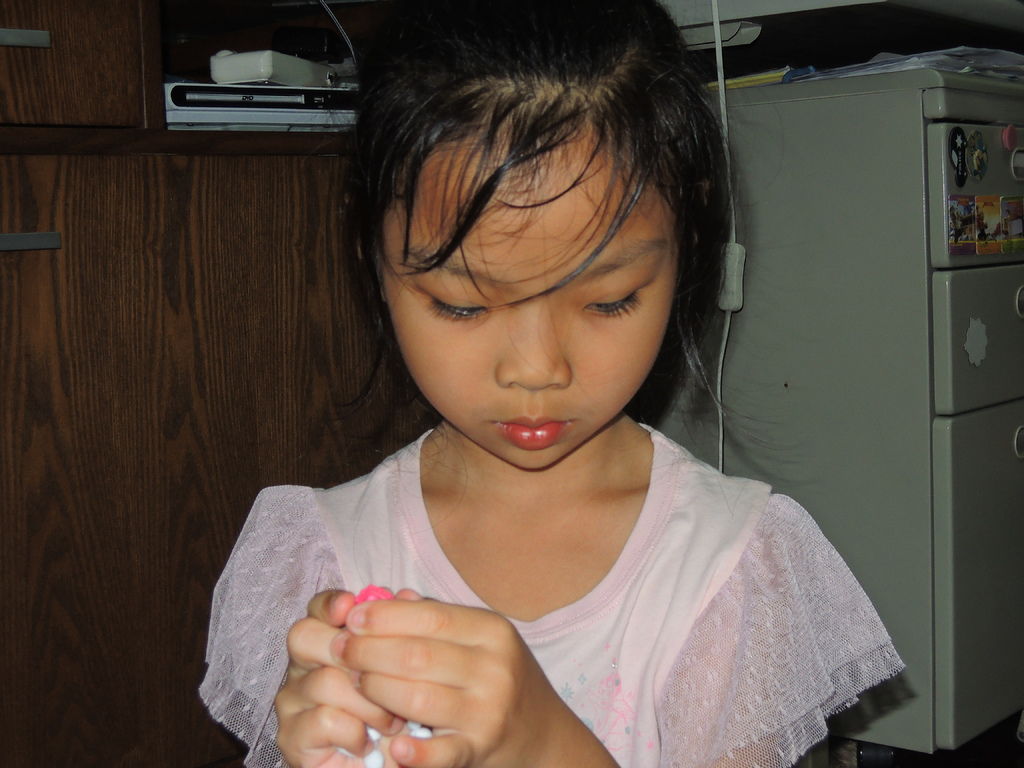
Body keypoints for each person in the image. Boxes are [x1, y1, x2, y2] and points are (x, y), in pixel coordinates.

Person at [200, 1, 904, 766]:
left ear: (686, 241)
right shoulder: (318, 563)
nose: (537, 371)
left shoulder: (732, 571)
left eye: (610, 300)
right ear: (373, 249)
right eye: (462, 305)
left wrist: (543, 745)